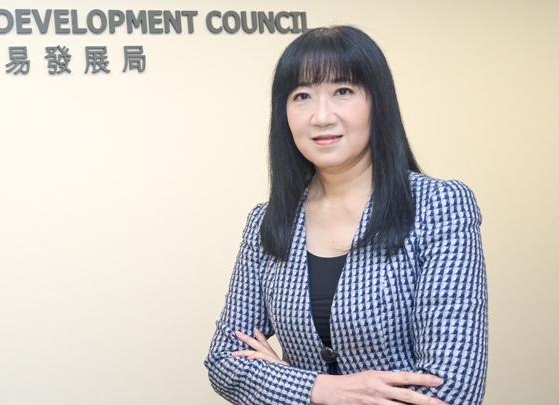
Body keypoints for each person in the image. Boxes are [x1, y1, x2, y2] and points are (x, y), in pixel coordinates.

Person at [203, 25, 488, 405]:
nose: (321, 116)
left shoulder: (439, 206)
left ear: (378, 102)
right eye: (302, 96)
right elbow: (224, 361)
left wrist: (283, 381)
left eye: (342, 91)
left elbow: (450, 389)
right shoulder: (268, 221)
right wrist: (322, 389)